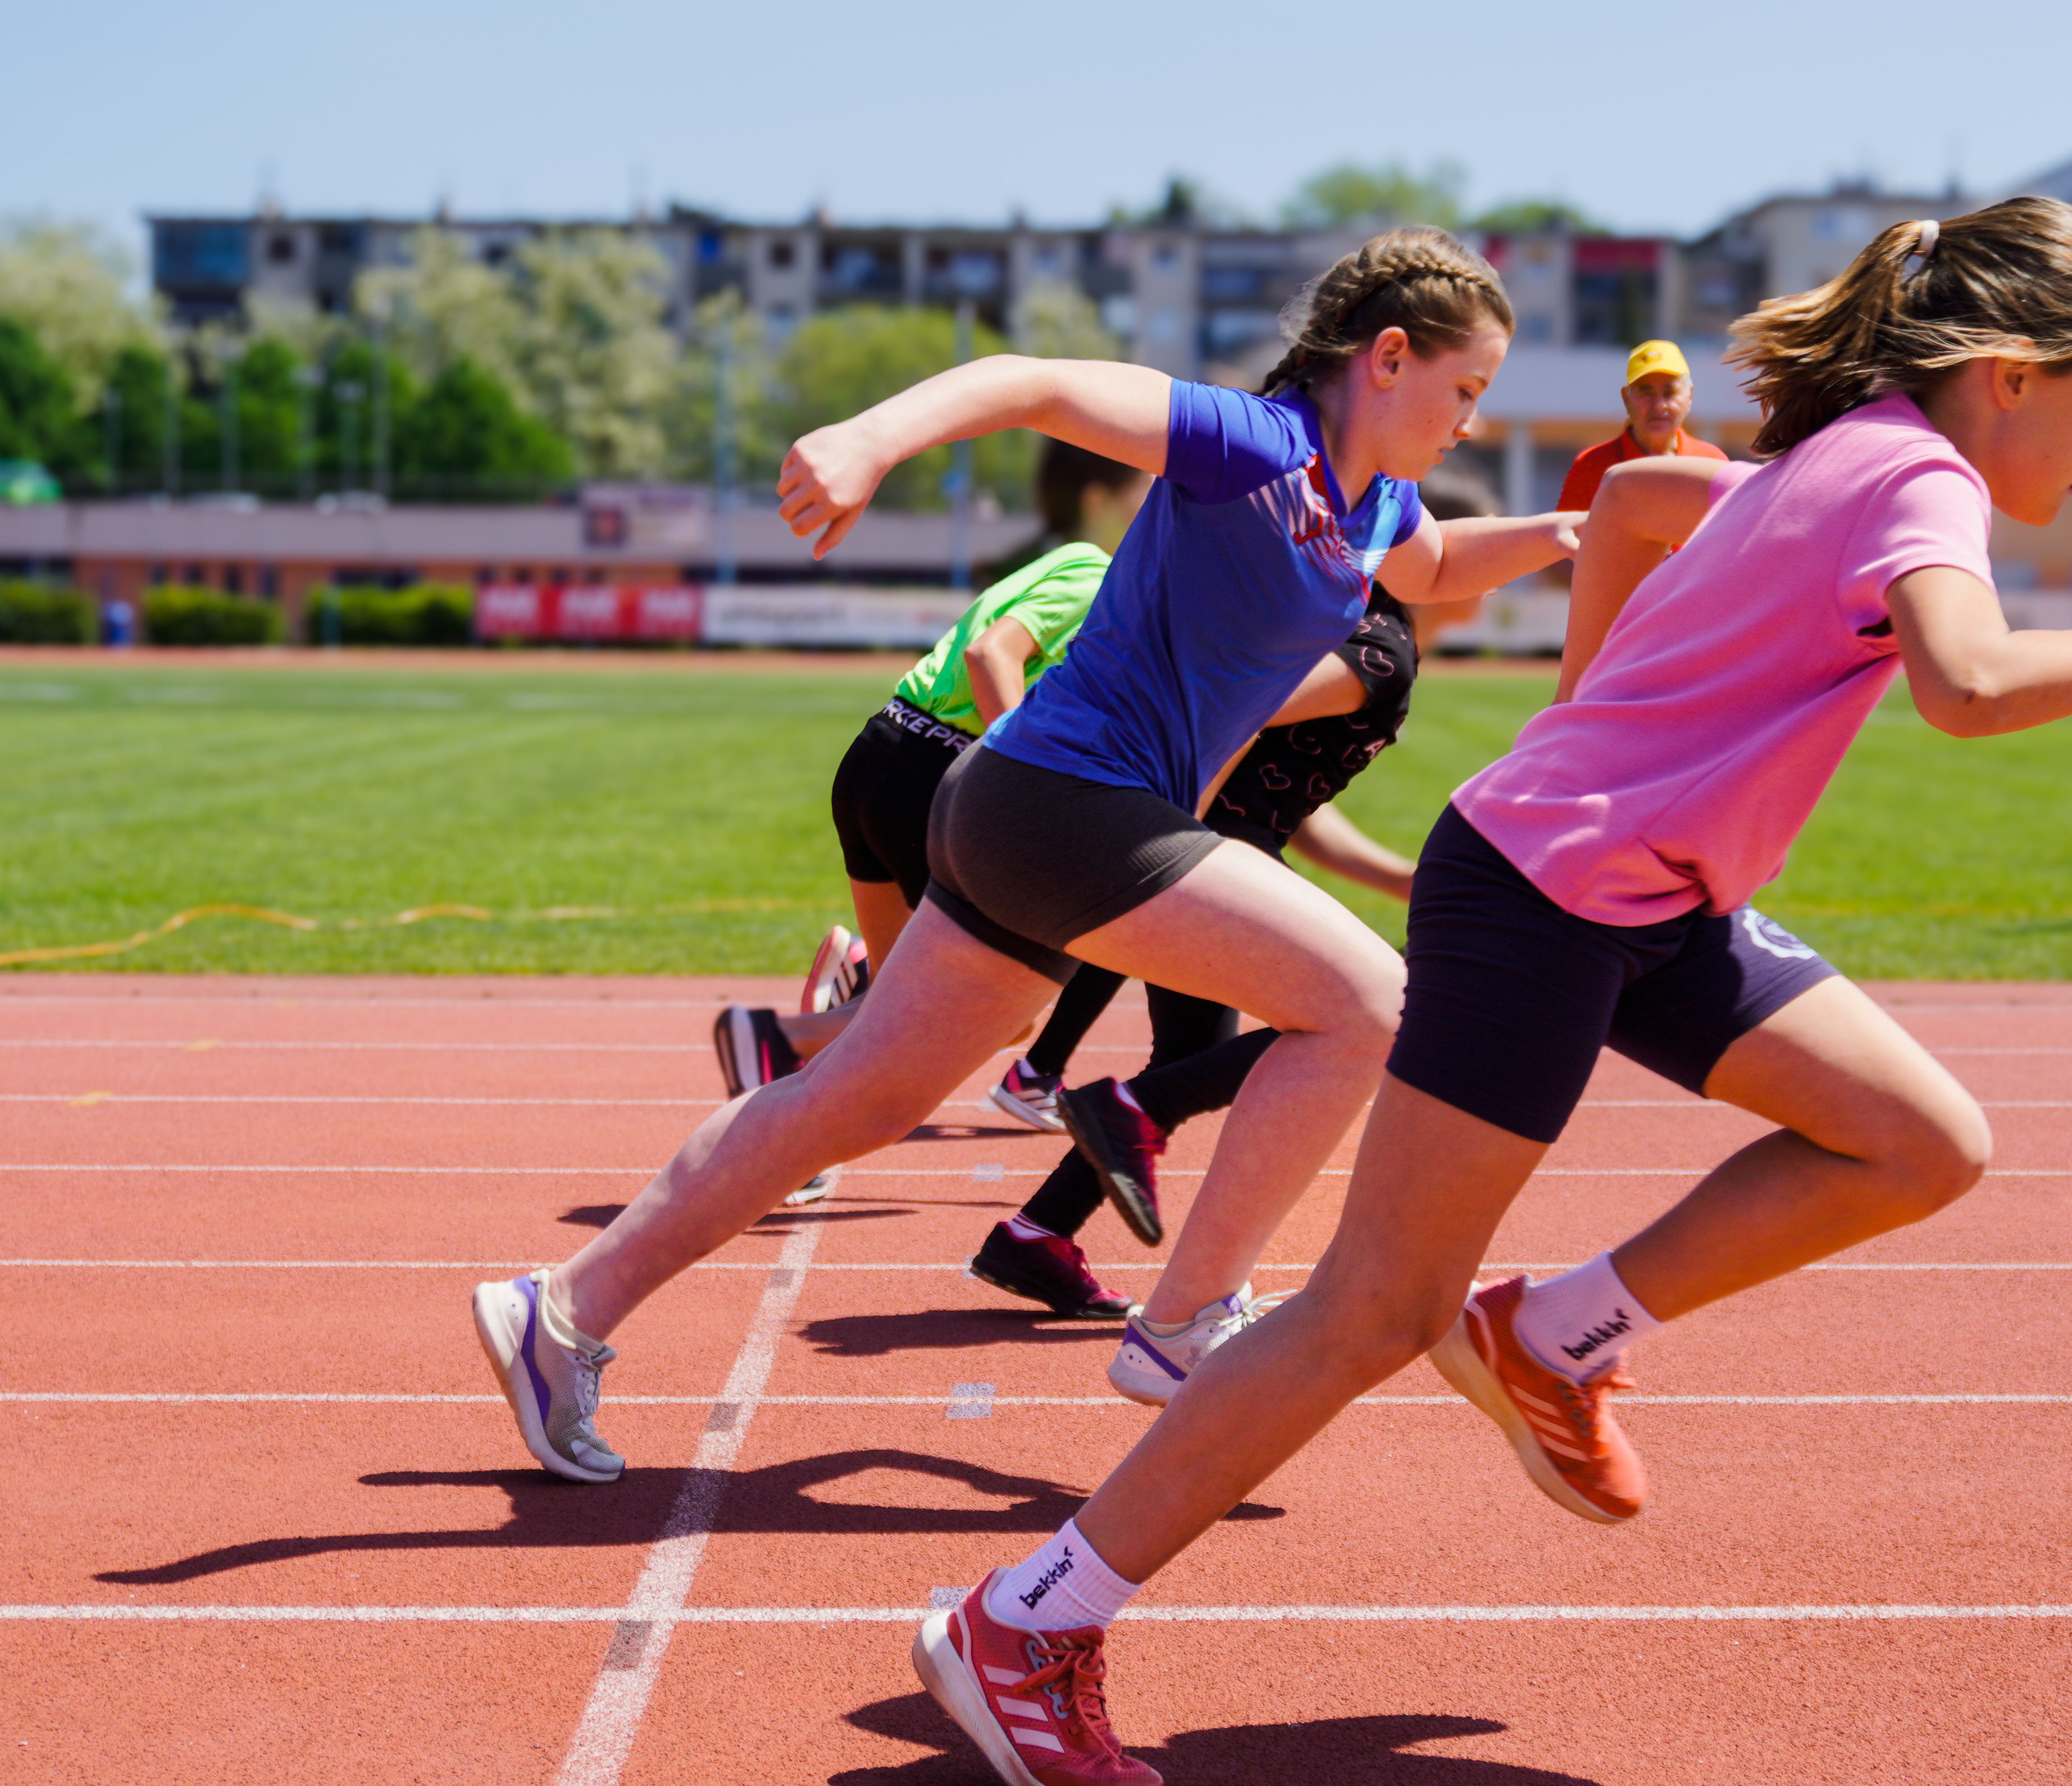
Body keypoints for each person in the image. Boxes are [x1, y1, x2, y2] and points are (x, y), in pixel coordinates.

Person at [916, 200, 2072, 1786]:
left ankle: (1550, 1328)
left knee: (1916, 1139)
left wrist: (1589, 717)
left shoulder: (1853, 446)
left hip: (1649, 894)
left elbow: (1626, 505)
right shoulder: (1917, 473)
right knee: (1367, 1308)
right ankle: (1026, 1618)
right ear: (2003, 373)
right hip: (1551, 892)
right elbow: (1964, 686)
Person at [472, 227, 1579, 1508]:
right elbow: (1036, 383)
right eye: (1466, 393)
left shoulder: (1377, 507)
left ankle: (559, 1312)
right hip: (1063, 800)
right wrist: (867, 440)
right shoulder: (1254, 444)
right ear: (1388, 360)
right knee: (1367, 1002)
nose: (1470, 423)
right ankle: (1187, 1323)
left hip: (1034, 815)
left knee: (851, 1105)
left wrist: (1570, 527)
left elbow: (1435, 569)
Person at [973, 470, 1500, 1342]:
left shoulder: (1365, 634)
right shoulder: (1379, 649)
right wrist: (1182, 827)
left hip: (1199, 841)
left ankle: (1035, 1233)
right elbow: (1241, 709)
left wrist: (1404, 880)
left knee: (1192, 1057)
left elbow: (1302, 805)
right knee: (1363, 1016)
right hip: (1195, 852)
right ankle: (1127, 1151)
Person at [712, 438, 1152, 1099]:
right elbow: (989, 656)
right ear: (1099, 500)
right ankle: (781, 1037)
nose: (1164, 505)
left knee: (897, 1009)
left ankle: (798, 1064)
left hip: (878, 753)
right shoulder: (1097, 579)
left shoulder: (1069, 561)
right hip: (932, 782)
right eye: (1150, 489)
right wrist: (1024, 779)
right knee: (1003, 1009)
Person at [1551, 339, 1727, 514]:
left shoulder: (1713, 463)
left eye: (1670, 393)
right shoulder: (1590, 467)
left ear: (1689, 396)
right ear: (1626, 399)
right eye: (1646, 392)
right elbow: (1563, 538)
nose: (1659, 405)